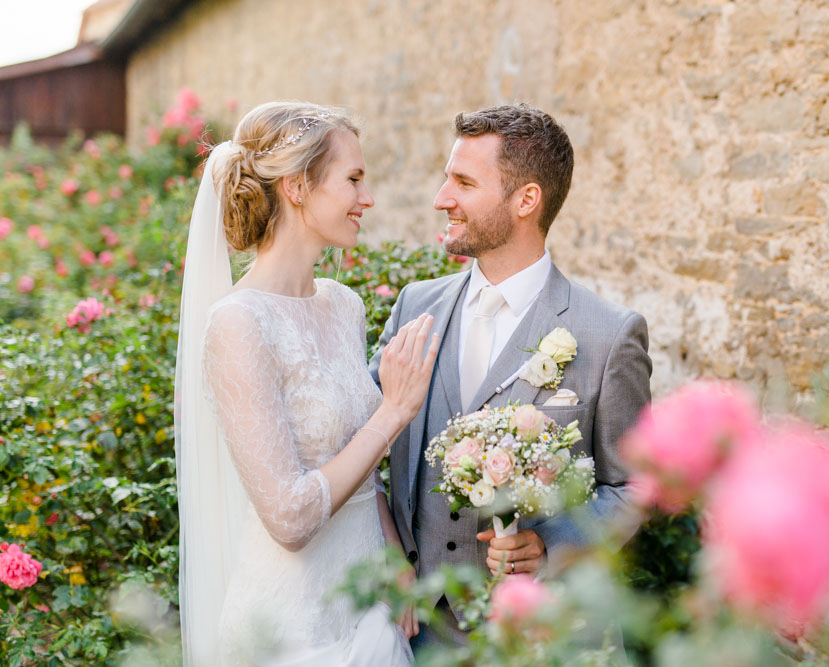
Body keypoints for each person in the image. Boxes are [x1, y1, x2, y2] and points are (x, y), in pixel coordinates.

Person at [368, 103, 652, 647]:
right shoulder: (415, 308)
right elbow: (358, 438)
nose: (441, 198)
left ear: (526, 200)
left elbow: (634, 486)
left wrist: (553, 545)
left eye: (463, 182)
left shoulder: (608, 334)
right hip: (413, 629)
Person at [174, 101, 437, 666]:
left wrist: (394, 559)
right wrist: (392, 413)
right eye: (354, 179)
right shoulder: (238, 323)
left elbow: (354, 465)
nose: (366, 199)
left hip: (368, 603)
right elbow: (290, 518)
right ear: (297, 186)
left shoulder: (343, 306)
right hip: (294, 624)